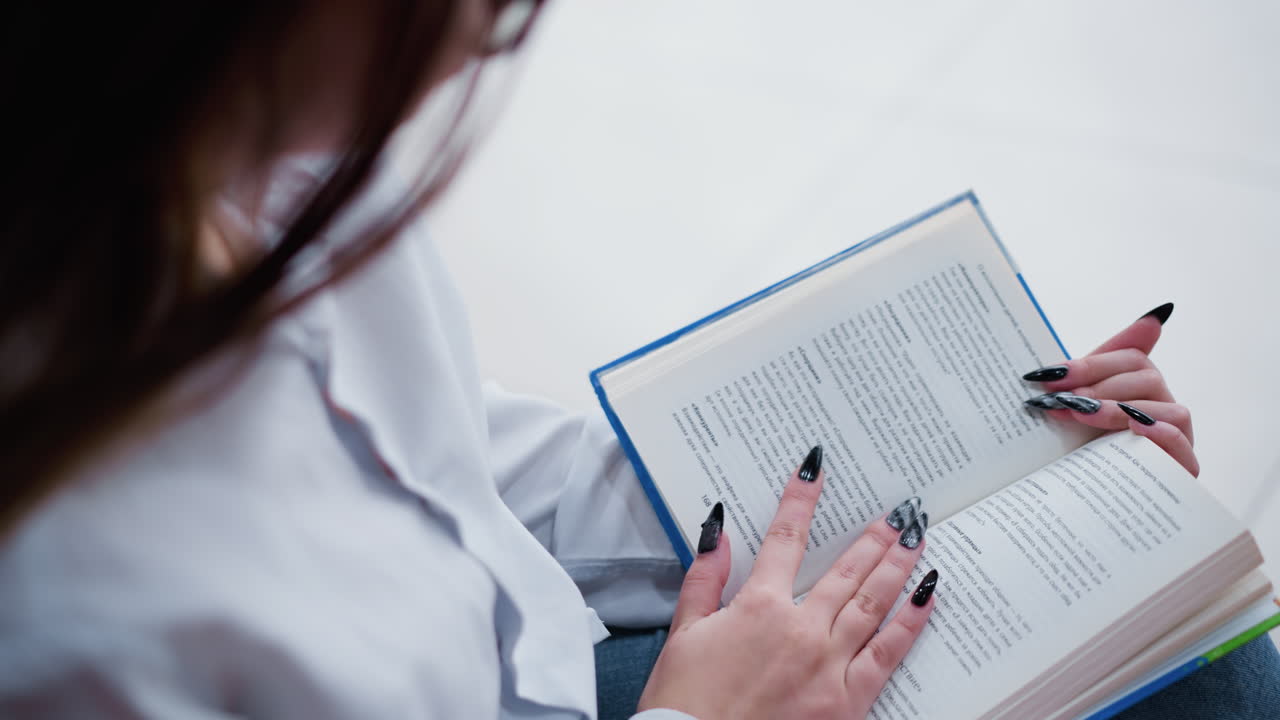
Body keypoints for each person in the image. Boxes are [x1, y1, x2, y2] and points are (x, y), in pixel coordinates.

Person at [0, 2, 1275, 718]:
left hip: (550, 674)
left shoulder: (252, 174)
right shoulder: (79, 620)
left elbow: (460, 479)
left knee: (1196, 669)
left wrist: (981, 474)